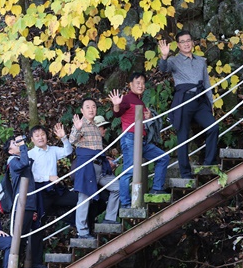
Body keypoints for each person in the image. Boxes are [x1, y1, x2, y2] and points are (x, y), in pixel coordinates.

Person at [158, 31, 219, 178]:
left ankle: (209, 162)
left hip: (200, 100)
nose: (186, 43)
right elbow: (163, 69)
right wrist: (164, 56)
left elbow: (207, 83)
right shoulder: (174, 60)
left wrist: (210, 103)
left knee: (213, 127)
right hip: (184, 100)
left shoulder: (200, 61)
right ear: (178, 45)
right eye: (182, 41)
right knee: (183, 136)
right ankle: (185, 173)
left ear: (192, 42)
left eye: (188, 40)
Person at [109, 72, 170, 208]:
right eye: (137, 83)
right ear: (130, 85)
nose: (141, 86)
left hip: (141, 140)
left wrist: (147, 118)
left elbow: (140, 121)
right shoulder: (127, 98)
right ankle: (125, 203)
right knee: (129, 170)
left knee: (163, 158)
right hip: (130, 138)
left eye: (143, 83)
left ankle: (156, 188)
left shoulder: (139, 101)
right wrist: (116, 105)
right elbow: (117, 113)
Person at [69, 99, 118, 238]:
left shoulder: (96, 126)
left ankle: (110, 218)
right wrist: (77, 128)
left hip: (100, 166)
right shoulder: (81, 124)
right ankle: (82, 231)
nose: (91, 109)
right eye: (88, 107)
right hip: (86, 166)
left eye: (94, 107)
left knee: (117, 187)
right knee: (84, 197)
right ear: (82, 110)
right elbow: (72, 140)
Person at [3, 135, 45, 268]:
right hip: (21, 205)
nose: (18, 145)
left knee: (28, 236)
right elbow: (24, 163)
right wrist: (23, 146)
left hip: (29, 203)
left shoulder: (18, 159)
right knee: (18, 239)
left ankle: (28, 265)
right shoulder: (13, 161)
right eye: (15, 144)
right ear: (10, 151)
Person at [28, 124, 76, 223]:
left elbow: (68, 151)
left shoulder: (53, 150)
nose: (40, 138)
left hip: (55, 189)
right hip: (41, 190)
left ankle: (80, 226)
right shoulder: (30, 154)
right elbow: (30, 176)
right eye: (37, 136)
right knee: (40, 219)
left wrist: (64, 138)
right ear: (32, 139)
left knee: (78, 200)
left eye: (42, 134)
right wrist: (48, 177)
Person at [92, 116, 121, 225]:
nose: (105, 130)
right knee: (88, 198)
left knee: (118, 187)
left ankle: (110, 218)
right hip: (91, 170)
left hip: (102, 171)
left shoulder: (100, 141)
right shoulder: (88, 139)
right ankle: (83, 229)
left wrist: (106, 161)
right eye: (103, 127)